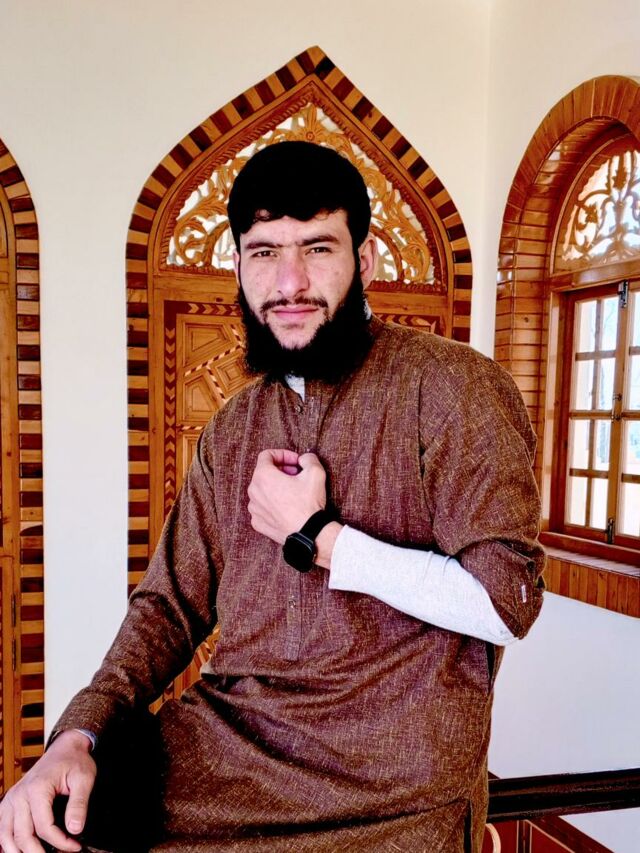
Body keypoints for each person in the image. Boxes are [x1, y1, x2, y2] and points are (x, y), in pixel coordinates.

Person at [0, 141, 544, 852]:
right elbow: (169, 604)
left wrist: (321, 537)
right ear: (238, 266)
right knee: (55, 822)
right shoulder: (235, 425)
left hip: (387, 788)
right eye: (264, 253)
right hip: (229, 751)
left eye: (317, 248)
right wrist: (80, 731)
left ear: (365, 259)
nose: (290, 282)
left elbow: (506, 603)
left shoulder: (452, 387)